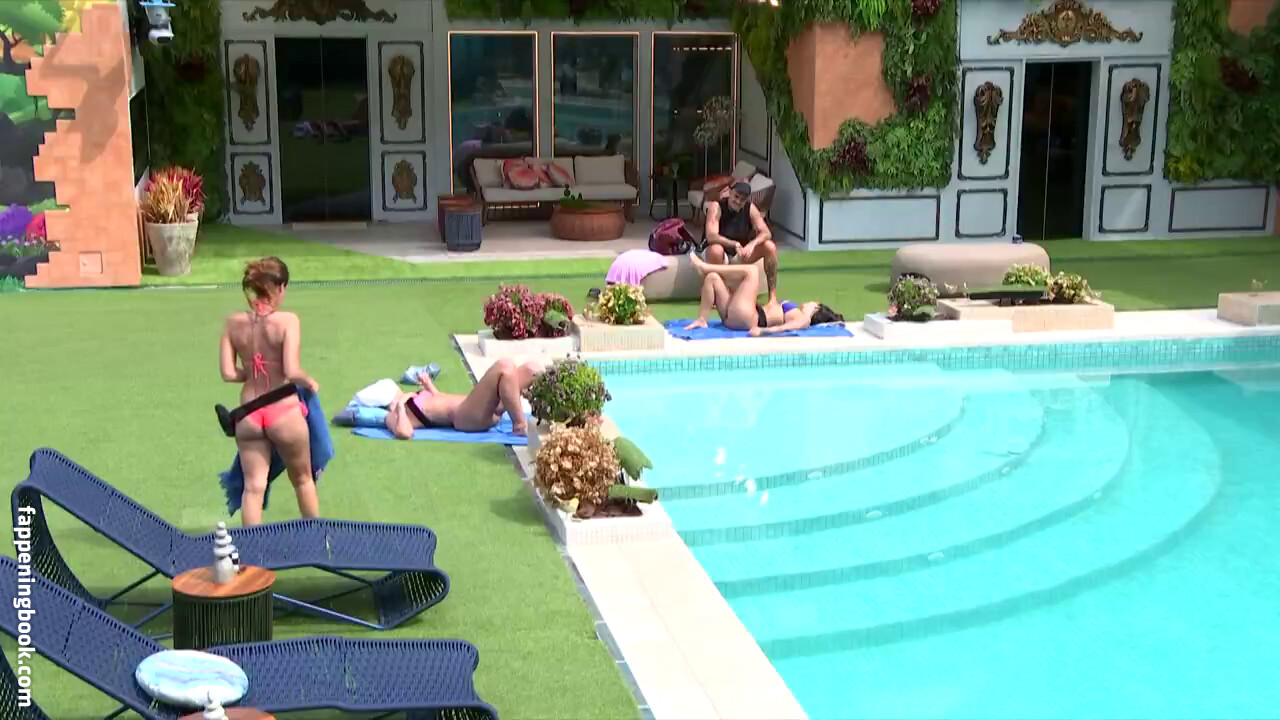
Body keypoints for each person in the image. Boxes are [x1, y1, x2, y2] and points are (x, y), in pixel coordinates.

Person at [219, 257, 321, 526]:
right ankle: (318, 541)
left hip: (248, 415)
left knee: (253, 488)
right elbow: (291, 370)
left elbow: (228, 373)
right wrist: (309, 381)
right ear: (281, 287)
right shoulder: (288, 321)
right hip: (283, 411)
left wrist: (249, 373)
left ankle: (251, 548)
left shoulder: (232, 323)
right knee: (303, 479)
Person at [682, 251, 843, 335]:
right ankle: (702, 319)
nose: (809, 302)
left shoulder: (804, 319)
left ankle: (704, 266)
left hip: (750, 319)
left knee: (752, 271)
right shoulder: (798, 314)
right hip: (739, 317)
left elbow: (787, 327)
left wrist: (763, 331)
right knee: (713, 279)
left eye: (813, 303)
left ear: (816, 308)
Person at [385, 358, 543, 439]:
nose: (398, 392)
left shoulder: (415, 396)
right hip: (466, 418)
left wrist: (429, 386)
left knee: (532, 369)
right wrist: (400, 406)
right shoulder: (393, 415)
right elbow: (404, 433)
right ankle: (520, 426)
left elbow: (440, 401)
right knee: (505, 366)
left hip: (477, 406)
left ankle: (551, 412)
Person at [703, 181, 779, 301]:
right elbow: (711, 236)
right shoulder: (716, 207)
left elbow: (766, 232)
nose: (738, 201)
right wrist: (734, 244)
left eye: (742, 199)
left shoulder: (750, 208)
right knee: (716, 249)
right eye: (736, 196)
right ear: (729, 192)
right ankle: (718, 295)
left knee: (770, 246)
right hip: (716, 253)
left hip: (739, 253)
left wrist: (751, 245)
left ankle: (772, 298)